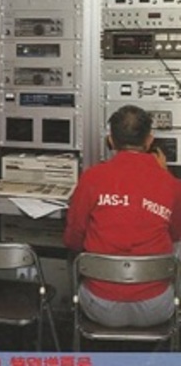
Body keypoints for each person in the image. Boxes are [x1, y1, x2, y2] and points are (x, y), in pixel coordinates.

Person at [64, 104, 181, 328]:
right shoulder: (172, 185)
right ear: (149, 140)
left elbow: (73, 239)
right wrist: (164, 174)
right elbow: (176, 234)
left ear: (110, 140)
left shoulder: (91, 177)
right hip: (156, 307)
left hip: (100, 306)